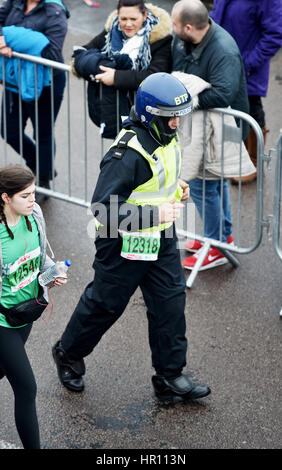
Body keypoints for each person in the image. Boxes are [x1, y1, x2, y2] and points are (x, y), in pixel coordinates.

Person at [52, 72, 211, 404]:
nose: (178, 124)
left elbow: (156, 178)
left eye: (180, 117)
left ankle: (169, 376)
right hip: (121, 240)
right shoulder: (127, 153)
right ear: (152, 114)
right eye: (172, 118)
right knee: (105, 305)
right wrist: (157, 214)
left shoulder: (166, 135)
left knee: (170, 304)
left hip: (160, 238)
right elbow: (102, 210)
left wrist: (175, 187)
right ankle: (68, 353)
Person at [171, 0, 249, 270]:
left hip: (222, 127)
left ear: (188, 27)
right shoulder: (186, 39)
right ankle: (220, 236)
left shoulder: (223, 50)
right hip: (203, 127)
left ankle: (215, 245)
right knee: (213, 183)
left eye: (175, 24)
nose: (172, 29)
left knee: (206, 186)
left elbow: (222, 94)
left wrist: (183, 98)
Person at [0, 164, 67, 449]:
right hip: (1, 322)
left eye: (34, 193)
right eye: (25, 196)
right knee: (27, 388)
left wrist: (53, 272)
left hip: (26, 314)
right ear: (5, 198)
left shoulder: (35, 215)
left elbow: (40, 259)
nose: (33, 200)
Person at [72, 0, 173, 139]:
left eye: (133, 19)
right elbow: (83, 51)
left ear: (144, 16)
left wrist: (115, 77)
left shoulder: (161, 39)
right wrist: (99, 67)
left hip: (148, 117)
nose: (128, 24)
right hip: (117, 112)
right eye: (123, 19)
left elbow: (154, 76)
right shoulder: (111, 30)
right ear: (117, 17)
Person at [0, 0, 69, 196]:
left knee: (43, 133)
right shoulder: (15, 2)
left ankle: (43, 180)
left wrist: (9, 37)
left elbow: (52, 52)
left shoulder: (55, 11)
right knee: (9, 131)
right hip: (16, 80)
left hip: (47, 83)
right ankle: (40, 163)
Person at [210, 0, 282, 184]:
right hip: (222, 63)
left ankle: (253, 163)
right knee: (230, 111)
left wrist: (246, 64)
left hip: (247, 67)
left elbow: (274, 35)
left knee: (251, 109)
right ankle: (236, 158)